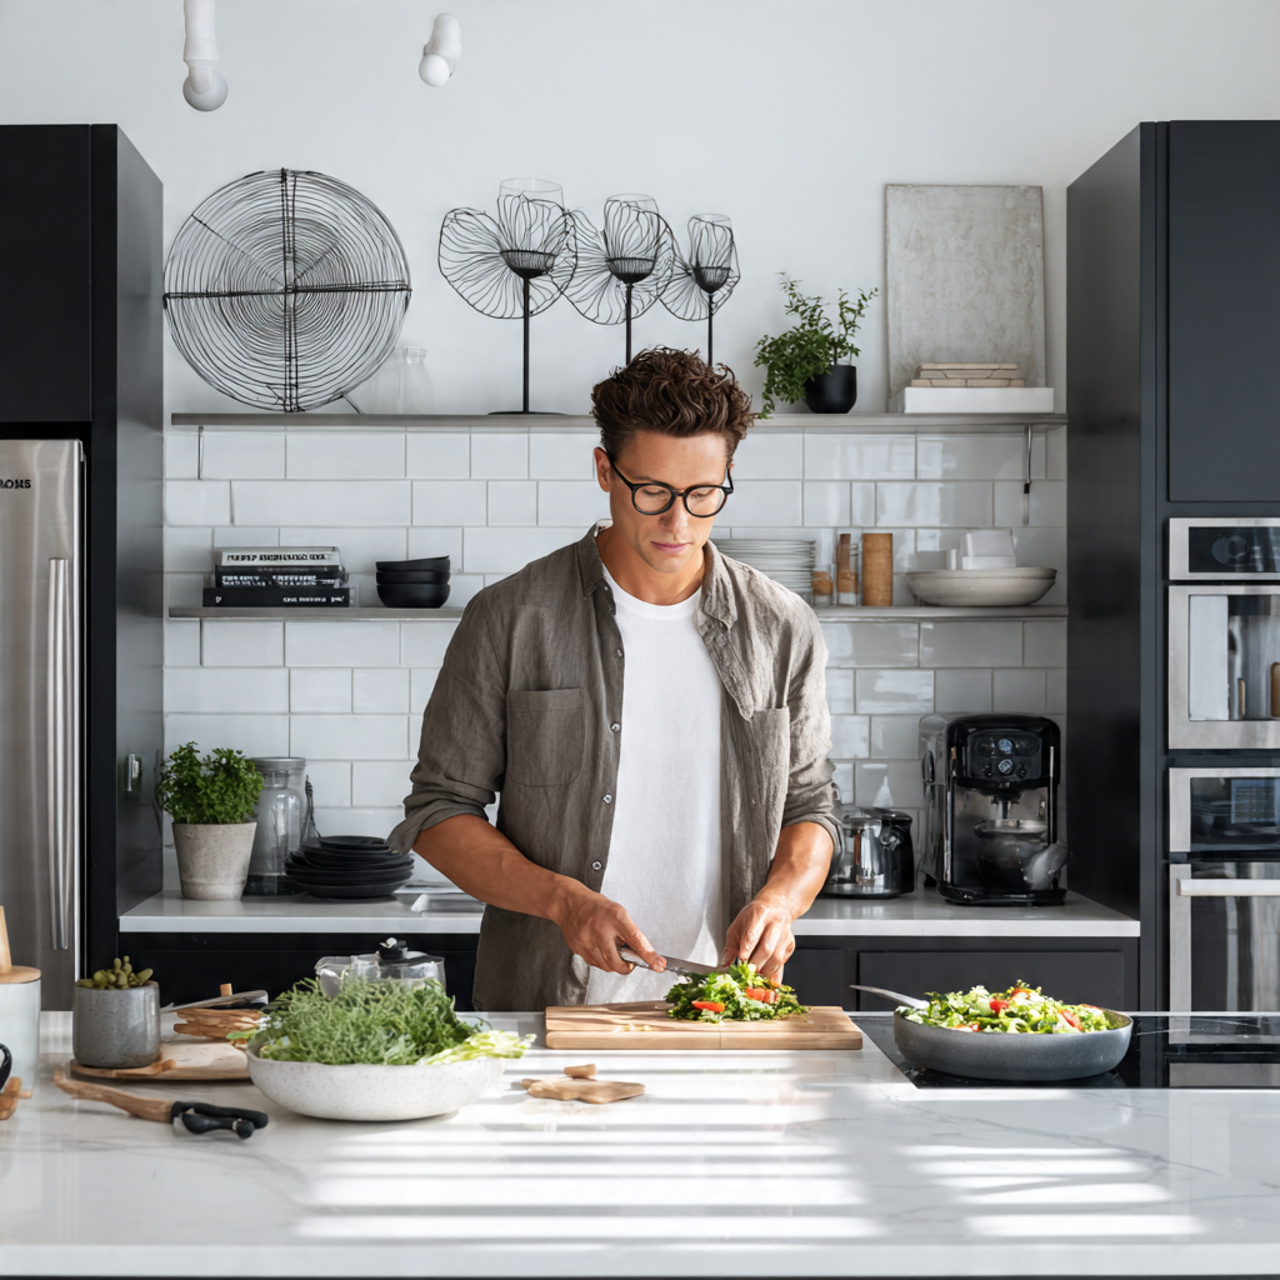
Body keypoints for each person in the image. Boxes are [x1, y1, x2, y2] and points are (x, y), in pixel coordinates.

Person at [388, 348, 839, 1011]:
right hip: (545, 1011)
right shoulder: (511, 618)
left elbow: (810, 809)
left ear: (728, 476)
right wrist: (560, 900)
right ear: (605, 470)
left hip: (723, 1012)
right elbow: (437, 812)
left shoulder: (781, 626)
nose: (677, 522)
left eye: (703, 493)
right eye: (652, 490)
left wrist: (780, 899)